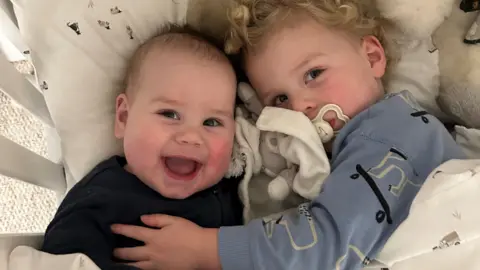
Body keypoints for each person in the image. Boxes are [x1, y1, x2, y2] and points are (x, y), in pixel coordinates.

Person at [108, 1, 467, 270]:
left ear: (372, 57)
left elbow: (328, 242)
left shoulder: (390, 132)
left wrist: (207, 249)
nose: (300, 107)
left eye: (313, 74)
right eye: (280, 98)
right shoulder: (343, 150)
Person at [41, 23, 243, 270]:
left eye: (212, 122)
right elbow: (63, 259)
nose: (191, 137)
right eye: (170, 114)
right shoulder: (102, 196)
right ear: (124, 117)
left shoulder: (237, 190)